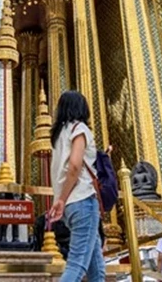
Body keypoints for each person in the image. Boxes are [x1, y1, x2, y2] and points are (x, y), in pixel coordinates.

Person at [47, 91, 105, 282]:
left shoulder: (57, 136)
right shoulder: (79, 129)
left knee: (97, 270)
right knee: (77, 265)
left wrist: (61, 200)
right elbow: (74, 165)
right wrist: (62, 199)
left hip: (71, 207)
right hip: (82, 200)